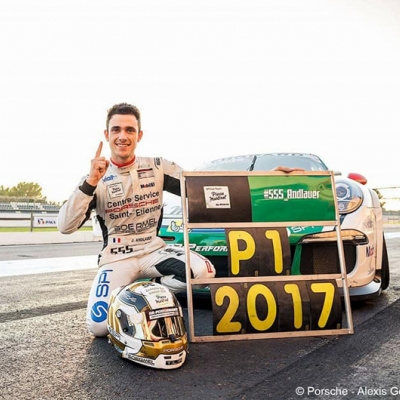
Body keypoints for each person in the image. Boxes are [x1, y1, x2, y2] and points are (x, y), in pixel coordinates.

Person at [57, 103, 216, 337]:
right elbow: (65, 226)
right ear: (107, 135)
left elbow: (204, 188)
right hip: (117, 258)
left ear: (139, 135)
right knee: (100, 327)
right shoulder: (95, 178)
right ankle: (132, 291)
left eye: (130, 130)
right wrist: (90, 182)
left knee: (204, 273)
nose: (123, 136)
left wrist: (266, 178)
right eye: (116, 130)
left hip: (152, 252)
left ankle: (152, 289)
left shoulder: (158, 167)